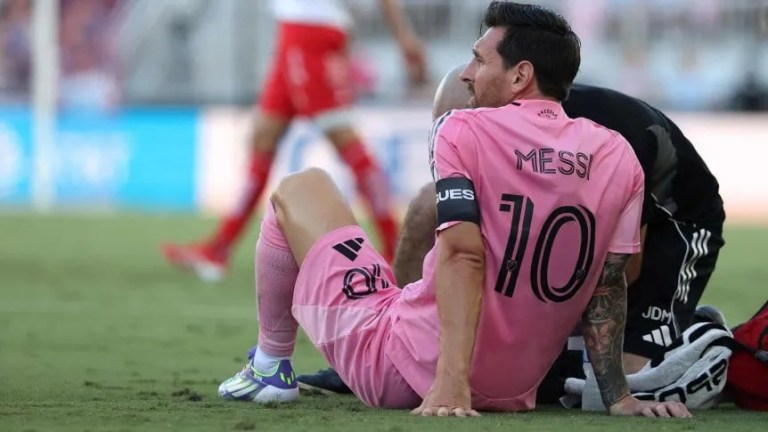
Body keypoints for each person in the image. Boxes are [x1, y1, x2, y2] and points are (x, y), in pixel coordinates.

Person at [216, 2, 690, 417]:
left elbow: (464, 254)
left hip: (407, 370)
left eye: (479, 60)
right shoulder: (617, 155)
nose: (466, 73)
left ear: (520, 76)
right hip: (513, 392)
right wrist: (619, 397)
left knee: (301, 187)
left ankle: (269, 367)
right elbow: (609, 283)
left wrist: (451, 383)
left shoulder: (463, 128)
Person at [298, 67, 726, 398]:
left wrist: (534, 328)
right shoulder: (488, 126)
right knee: (430, 203)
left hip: (677, 223)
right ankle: (400, 340)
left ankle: (697, 334)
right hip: (582, 222)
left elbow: (621, 271)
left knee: (617, 380)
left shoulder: (600, 143)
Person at [161, 0, 428, 281]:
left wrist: (404, 37)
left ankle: (397, 251)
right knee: (263, 137)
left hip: (309, 34)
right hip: (295, 31)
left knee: (348, 144)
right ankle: (219, 248)